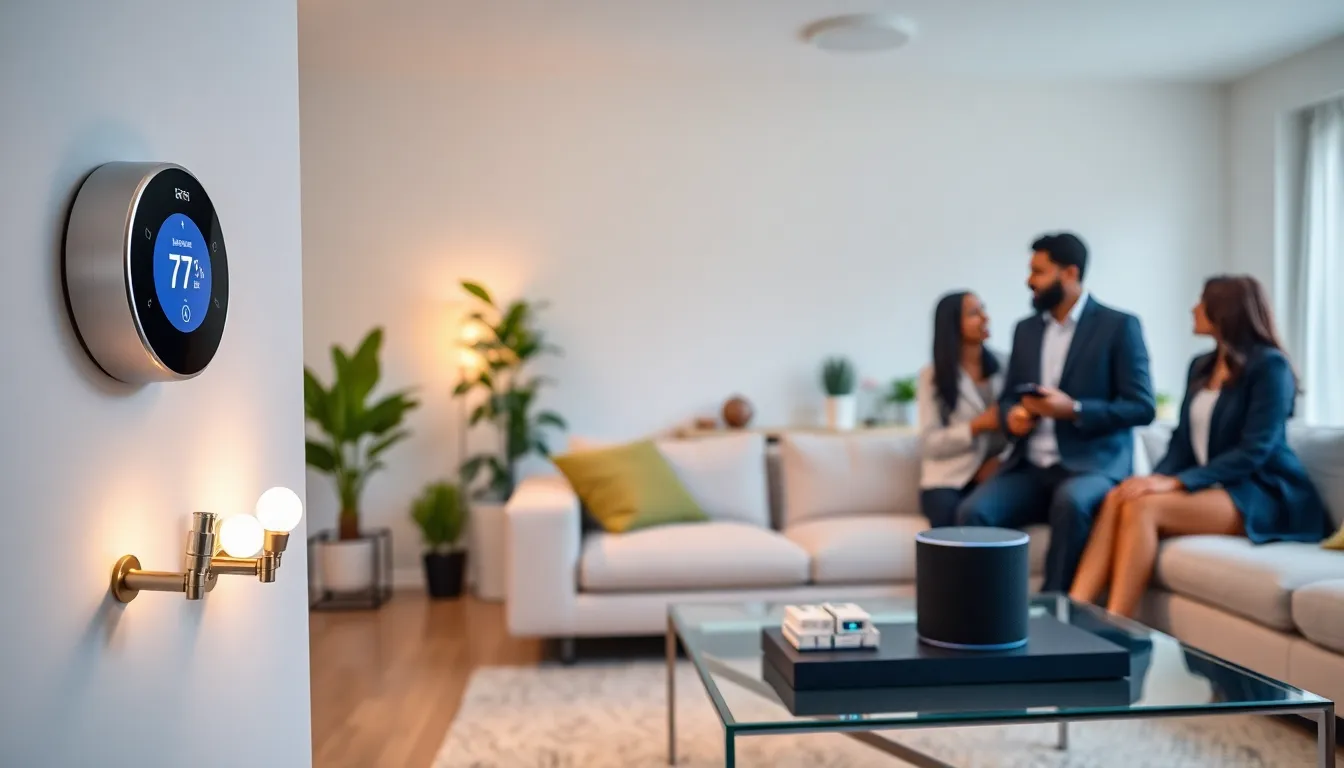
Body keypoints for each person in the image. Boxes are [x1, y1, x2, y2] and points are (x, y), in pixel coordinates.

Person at [1069, 275, 1330, 617]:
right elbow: (1182, 443)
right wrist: (1153, 479)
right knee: (1120, 495)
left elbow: (1256, 450)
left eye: (1202, 302)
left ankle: (1117, 623)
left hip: (1261, 490)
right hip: (1216, 486)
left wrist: (1176, 482)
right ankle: (1073, 613)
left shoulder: (1270, 366)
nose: (1194, 309)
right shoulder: (1201, 366)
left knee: (1143, 508)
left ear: (1224, 311)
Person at [956, 232, 1156, 592]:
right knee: (974, 512)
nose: (1029, 281)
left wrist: (1074, 409)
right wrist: (1013, 415)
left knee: (1072, 503)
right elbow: (1009, 397)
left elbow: (1142, 407)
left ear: (1070, 273)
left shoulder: (1118, 326)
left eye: (1039, 271)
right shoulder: (1026, 330)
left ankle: (1055, 610)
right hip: (1030, 466)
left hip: (1091, 467)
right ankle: (988, 613)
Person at [917, 291, 1007, 527]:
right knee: (951, 527)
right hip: (947, 478)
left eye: (983, 309)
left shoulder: (1006, 365)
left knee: (983, 514)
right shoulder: (932, 377)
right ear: (952, 324)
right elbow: (930, 443)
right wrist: (976, 426)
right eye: (974, 313)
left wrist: (1001, 461)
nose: (985, 318)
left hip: (995, 474)